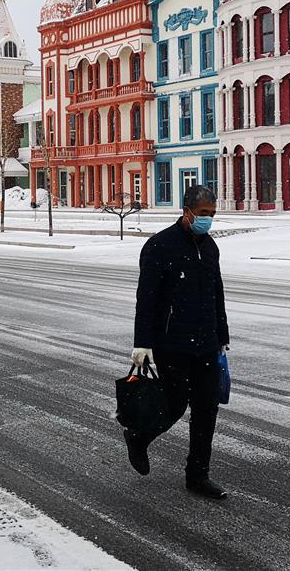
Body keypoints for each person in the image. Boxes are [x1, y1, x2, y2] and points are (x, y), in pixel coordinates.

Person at [126, 185, 230, 499]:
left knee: (206, 410)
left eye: (212, 215)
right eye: (202, 215)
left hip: (206, 343)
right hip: (171, 343)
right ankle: (139, 437)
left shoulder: (210, 248)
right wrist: (142, 343)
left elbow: (217, 294)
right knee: (172, 406)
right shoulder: (159, 246)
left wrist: (222, 336)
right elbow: (146, 299)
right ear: (186, 211)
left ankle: (197, 475)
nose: (207, 220)